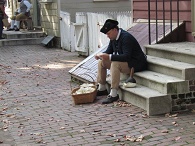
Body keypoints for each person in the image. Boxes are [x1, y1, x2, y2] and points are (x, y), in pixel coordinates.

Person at [95, 19, 147, 104]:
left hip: (136, 64)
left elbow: (126, 56)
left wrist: (109, 56)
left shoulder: (126, 37)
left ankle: (114, 94)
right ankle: (102, 88)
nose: (107, 36)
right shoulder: (113, 37)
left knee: (115, 64)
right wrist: (100, 55)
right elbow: (109, 51)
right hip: (127, 62)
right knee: (101, 62)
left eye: (108, 33)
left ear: (115, 30)